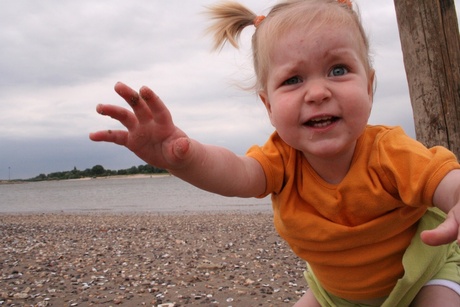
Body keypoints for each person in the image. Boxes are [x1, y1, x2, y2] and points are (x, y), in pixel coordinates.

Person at [90, 0, 460, 305]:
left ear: (369, 85)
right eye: (293, 80)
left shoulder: (388, 150)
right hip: (335, 293)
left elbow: (442, 178)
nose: (317, 92)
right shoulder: (280, 161)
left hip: (423, 275)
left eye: (338, 69)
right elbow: (235, 174)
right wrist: (182, 157)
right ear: (268, 106)